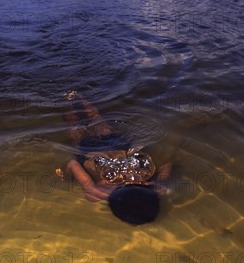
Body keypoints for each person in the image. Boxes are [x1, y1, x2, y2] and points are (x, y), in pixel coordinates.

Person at [56, 91, 172, 225]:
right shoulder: (96, 193)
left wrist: (160, 182)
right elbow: (71, 163)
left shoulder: (151, 186)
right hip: (87, 150)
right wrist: (69, 177)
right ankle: (69, 99)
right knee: (74, 124)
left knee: (96, 118)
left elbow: (167, 165)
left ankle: (77, 95)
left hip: (116, 144)